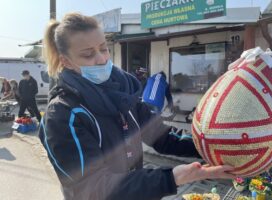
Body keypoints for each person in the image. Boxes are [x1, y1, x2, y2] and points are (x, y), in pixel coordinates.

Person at [40, 13, 235, 200]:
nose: (101, 58)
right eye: (88, 54)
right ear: (66, 61)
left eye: (103, 48)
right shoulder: (64, 114)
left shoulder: (124, 93)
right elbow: (93, 188)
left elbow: (162, 136)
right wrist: (171, 178)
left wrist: (217, 146)